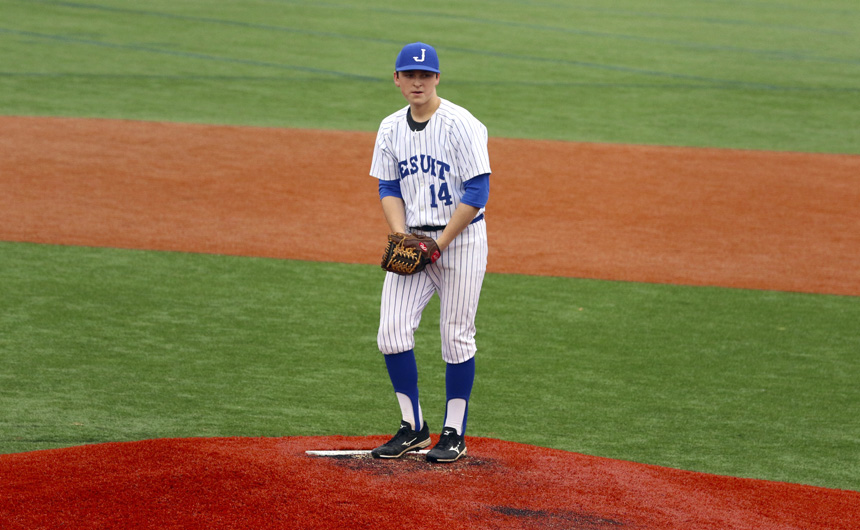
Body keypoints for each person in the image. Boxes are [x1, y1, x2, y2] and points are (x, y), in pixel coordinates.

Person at [369, 42, 491, 463]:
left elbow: (477, 193)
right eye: (409, 75)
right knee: (391, 333)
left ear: (437, 78)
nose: (417, 82)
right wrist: (402, 236)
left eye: (425, 75)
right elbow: (387, 187)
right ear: (397, 79)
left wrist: (438, 246)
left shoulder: (462, 125)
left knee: (456, 339)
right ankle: (413, 427)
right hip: (416, 240)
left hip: (462, 240)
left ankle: (453, 433)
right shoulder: (389, 128)